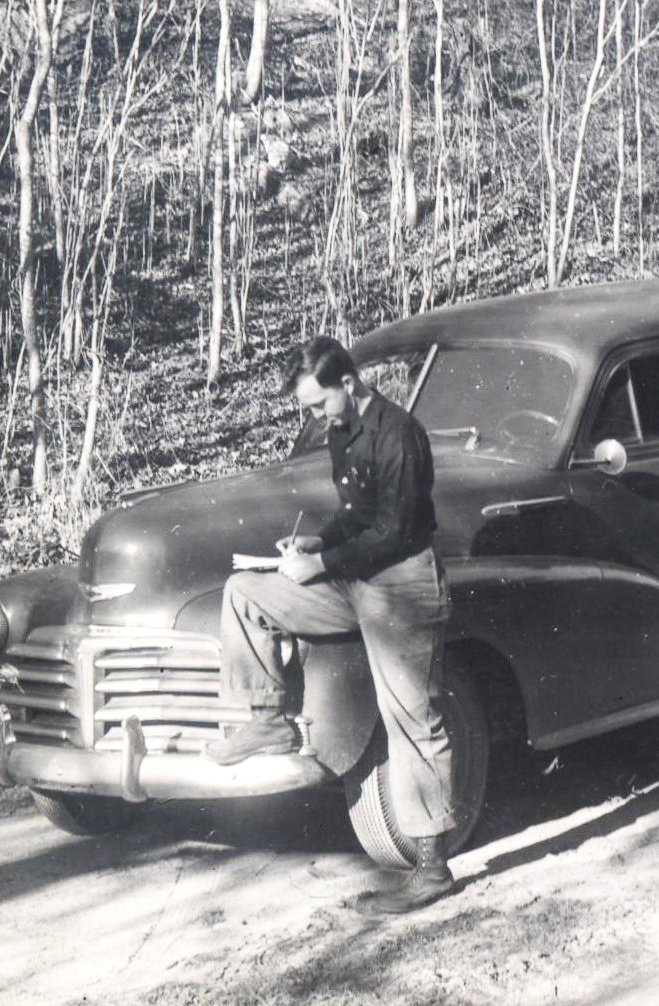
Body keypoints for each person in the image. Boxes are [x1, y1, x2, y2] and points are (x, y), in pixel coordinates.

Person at [205, 336, 457, 914]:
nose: (316, 419)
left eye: (320, 405)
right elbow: (357, 516)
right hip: (354, 580)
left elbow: (394, 531)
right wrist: (318, 539)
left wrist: (319, 563)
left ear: (349, 383)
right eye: (309, 411)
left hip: (402, 587)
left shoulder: (399, 433)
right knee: (245, 592)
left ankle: (432, 867)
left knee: (412, 719)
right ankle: (267, 722)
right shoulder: (343, 429)